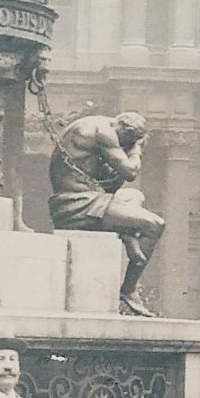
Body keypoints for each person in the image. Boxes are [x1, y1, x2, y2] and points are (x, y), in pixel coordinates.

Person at [48, 111, 166, 316]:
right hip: (77, 204)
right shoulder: (105, 133)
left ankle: (126, 234)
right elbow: (130, 172)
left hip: (89, 198)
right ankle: (128, 289)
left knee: (134, 196)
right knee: (155, 225)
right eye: (126, 141)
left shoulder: (98, 123)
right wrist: (136, 148)